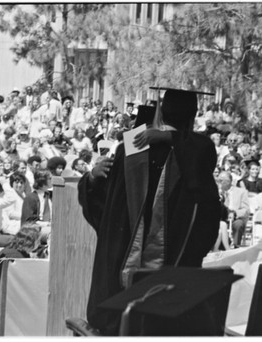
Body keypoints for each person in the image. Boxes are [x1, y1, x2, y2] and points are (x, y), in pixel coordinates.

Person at [77, 88, 221, 335]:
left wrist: (90, 180)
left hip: (117, 302)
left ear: (161, 114)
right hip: (173, 308)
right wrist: (172, 138)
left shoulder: (130, 147)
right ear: (192, 117)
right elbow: (208, 220)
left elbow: (101, 209)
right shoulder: (196, 157)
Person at [217, 171, 250, 248]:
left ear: (228, 181)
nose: (218, 182)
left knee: (238, 224)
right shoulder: (216, 191)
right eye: (218, 180)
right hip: (220, 217)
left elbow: (246, 210)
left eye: (221, 180)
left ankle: (235, 246)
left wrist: (235, 213)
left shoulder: (241, 192)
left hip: (235, 217)